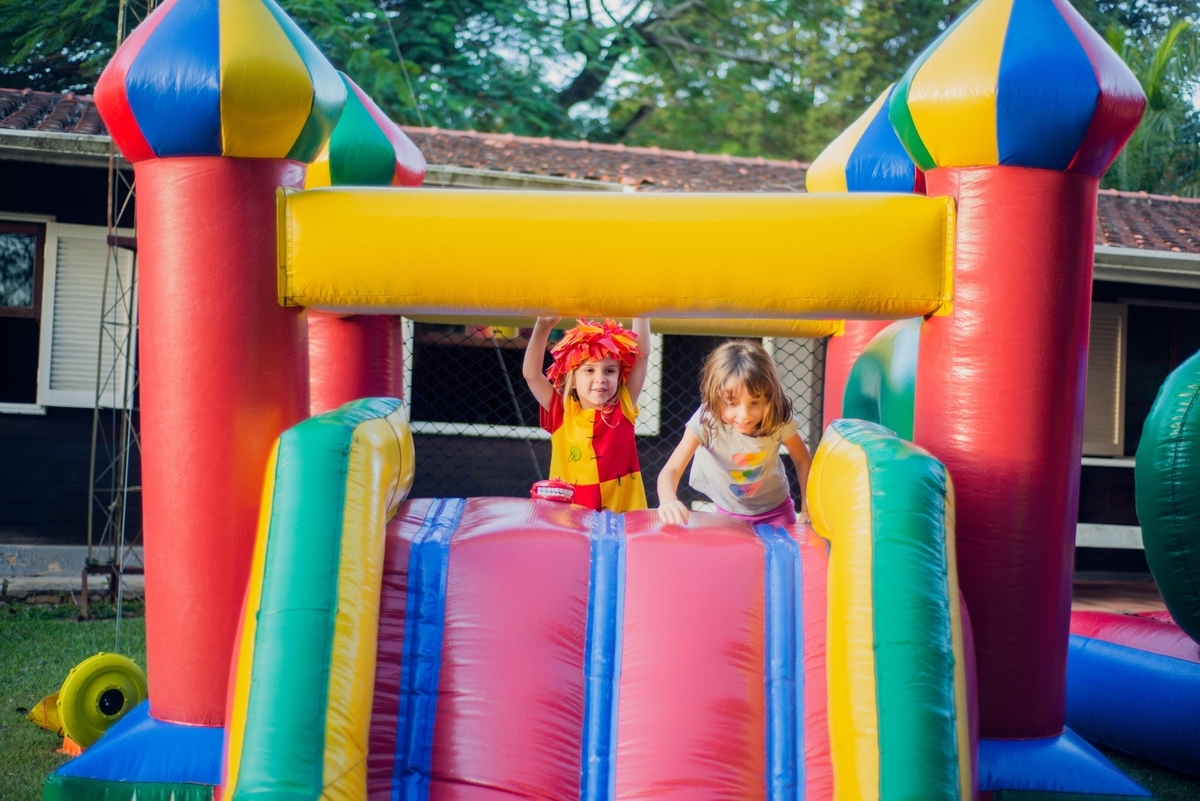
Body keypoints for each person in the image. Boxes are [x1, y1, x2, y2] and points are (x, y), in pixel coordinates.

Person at [657, 340, 811, 527]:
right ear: (715, 396)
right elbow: (671, 469)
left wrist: (806, 509)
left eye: (755, 403)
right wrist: (667, 499)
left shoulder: (776, 417)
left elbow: (802, 459)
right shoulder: (706, 420)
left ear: (769, 396)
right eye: (732, 403)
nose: (744, 415)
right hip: (729, 513)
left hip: (776, 510)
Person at [523, 316, 652, 512]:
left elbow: (641, 357)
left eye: (609, 371)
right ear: (572, 380)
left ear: (619, 377)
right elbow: (531, 374)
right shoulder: (562, 411)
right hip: (569, 517)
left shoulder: (623, 406)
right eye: (589, 370)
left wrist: (640, 314)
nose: (600, 379)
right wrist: (543, 326)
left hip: (622, 516)